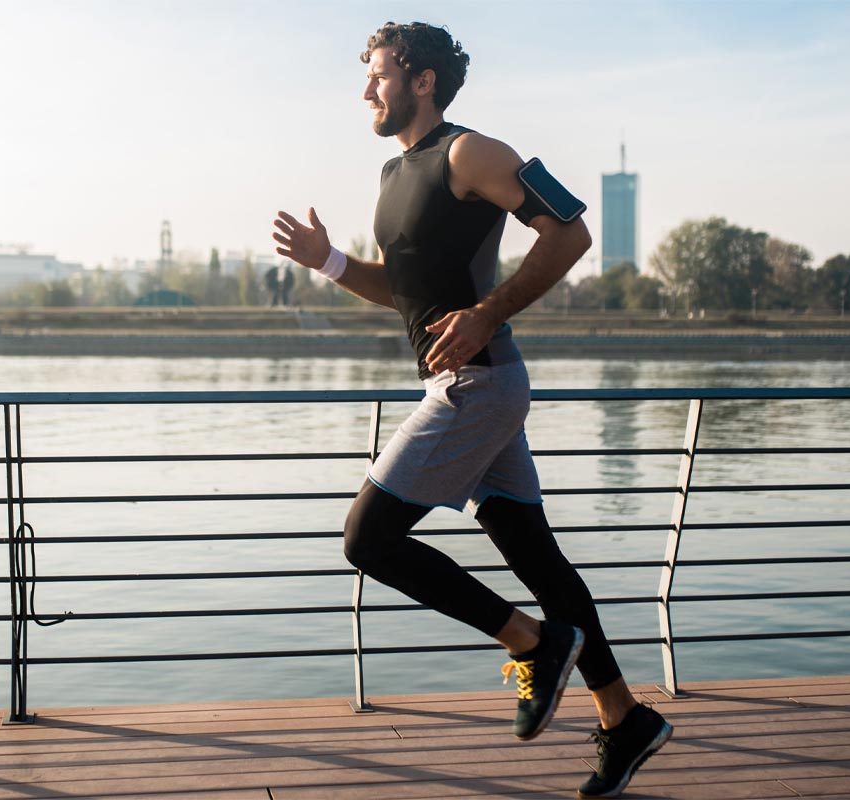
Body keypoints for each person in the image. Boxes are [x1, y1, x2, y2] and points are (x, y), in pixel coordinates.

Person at [273, 21, 671, 798]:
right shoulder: (396, 173)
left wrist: (488, 314)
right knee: (534, 555)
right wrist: (328, 261)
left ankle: (529, 645)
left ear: (422, 80)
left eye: (379, 74)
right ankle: (624, 718)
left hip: (479, 385)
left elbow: (571, 232)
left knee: (368, 538)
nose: (366, 89)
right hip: (464, 385)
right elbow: (409, 291)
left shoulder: (471, 152)